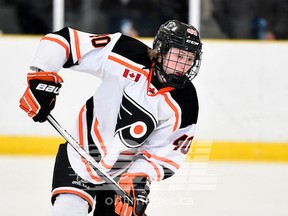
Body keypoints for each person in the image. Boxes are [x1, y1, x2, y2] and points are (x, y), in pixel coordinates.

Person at [19, 19, 202, 216]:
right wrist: (41, 78)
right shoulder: (124, 52)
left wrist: (138, 179)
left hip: (122, 174)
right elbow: (64, 40)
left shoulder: (186, 102)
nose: (183, 65)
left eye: (190, 58)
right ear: (161, 50)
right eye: (179, 55)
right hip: (80, 156)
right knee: (67, 210)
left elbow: (164, 155)